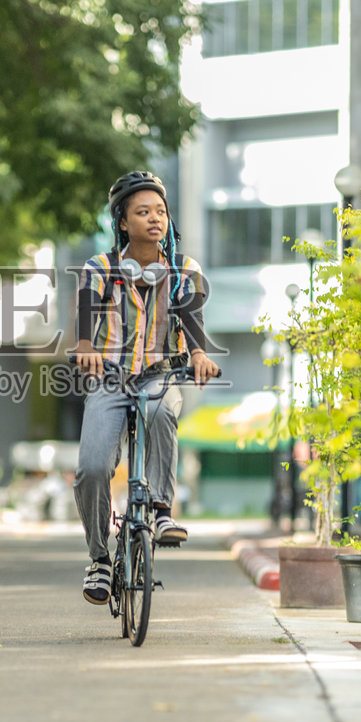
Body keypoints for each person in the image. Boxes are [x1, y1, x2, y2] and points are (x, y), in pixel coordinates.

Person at [72, 171, 220, 605]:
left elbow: (193, 327)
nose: (154, 218)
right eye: (142, 212)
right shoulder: (100, 268)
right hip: (110, 378)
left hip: (159, 375)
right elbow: (86, 319)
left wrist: (198, 355)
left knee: (161, 412)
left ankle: (159, 512)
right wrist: (85, 348)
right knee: (93, 468)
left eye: (160, 211)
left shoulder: (183, 270)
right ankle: (99, 558)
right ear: (122, 221)